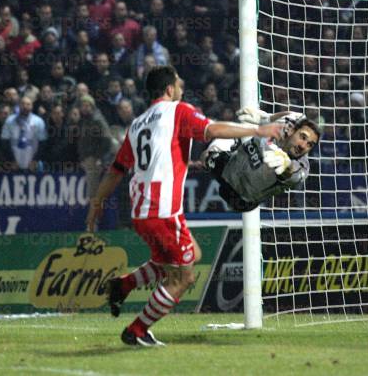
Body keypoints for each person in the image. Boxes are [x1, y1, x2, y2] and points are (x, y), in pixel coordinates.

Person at [85, 65, 282, 347]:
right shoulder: (178, 110)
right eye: (178, 82)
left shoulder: (138, 123)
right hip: (163, 209)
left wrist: (96, 203)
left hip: (141, 211)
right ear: (169, 89)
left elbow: (117, 169)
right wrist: (258, 129)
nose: (182, 86)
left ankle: (124, 284)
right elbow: (212, 130)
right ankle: (137, 330)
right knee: (184, 276)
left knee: (186, 256)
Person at [201, 107, 321, 212]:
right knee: (207, 155)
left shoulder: (301, 168)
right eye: (302, 137)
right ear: (292, 130)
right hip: (230, 166)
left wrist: (286, 165)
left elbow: (290, 173)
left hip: (241, 197)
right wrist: (267, 118)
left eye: (310, 145)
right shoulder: (291, 120)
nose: (303, 146)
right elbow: (289, 114)